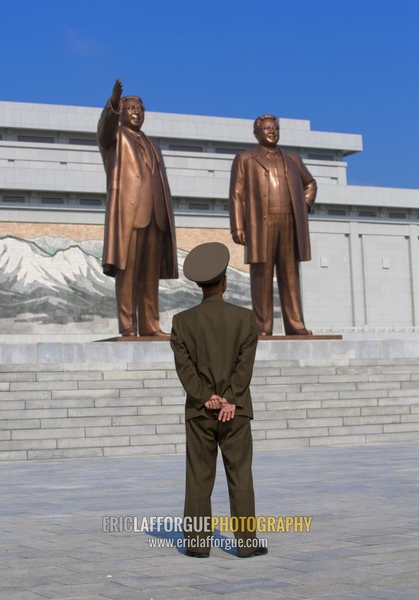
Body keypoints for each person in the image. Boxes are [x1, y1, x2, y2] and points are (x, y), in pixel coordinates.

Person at [170, 242, 268, 558]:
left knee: (198, 477)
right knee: (240, 477)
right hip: (235, 413)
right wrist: (229, 399)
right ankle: (246, 544)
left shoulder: (182, 322)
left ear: (200, 285)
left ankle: (198, 545)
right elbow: (244, 365)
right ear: (224, 281)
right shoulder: (244, 319)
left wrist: (206, 397)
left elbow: (184, 369)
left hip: (200, 413)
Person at [97, 78, 178, 337]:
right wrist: (113, 104)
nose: (136, 113)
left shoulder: (153, 144)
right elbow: (103, 129)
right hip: (130, 215)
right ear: (123, 112)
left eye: (140, 109)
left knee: (150, 276)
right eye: (131, 108)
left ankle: (151, 325)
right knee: (128, 272)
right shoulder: (115, 137)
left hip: (156, 216)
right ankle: (128, 325)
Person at [229, 114, 317, 336]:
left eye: (275, 128)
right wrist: (238, 226)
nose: (271, 131)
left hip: (289, 223)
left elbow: (310, 184)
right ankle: (263, 326)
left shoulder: (292, 158)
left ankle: (295, 324)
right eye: (267, 128)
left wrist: (302, 206)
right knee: (261, 277)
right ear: (256, 133)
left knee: (290, 276)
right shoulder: (246, 158)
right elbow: (237, 195)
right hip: (261, 225)